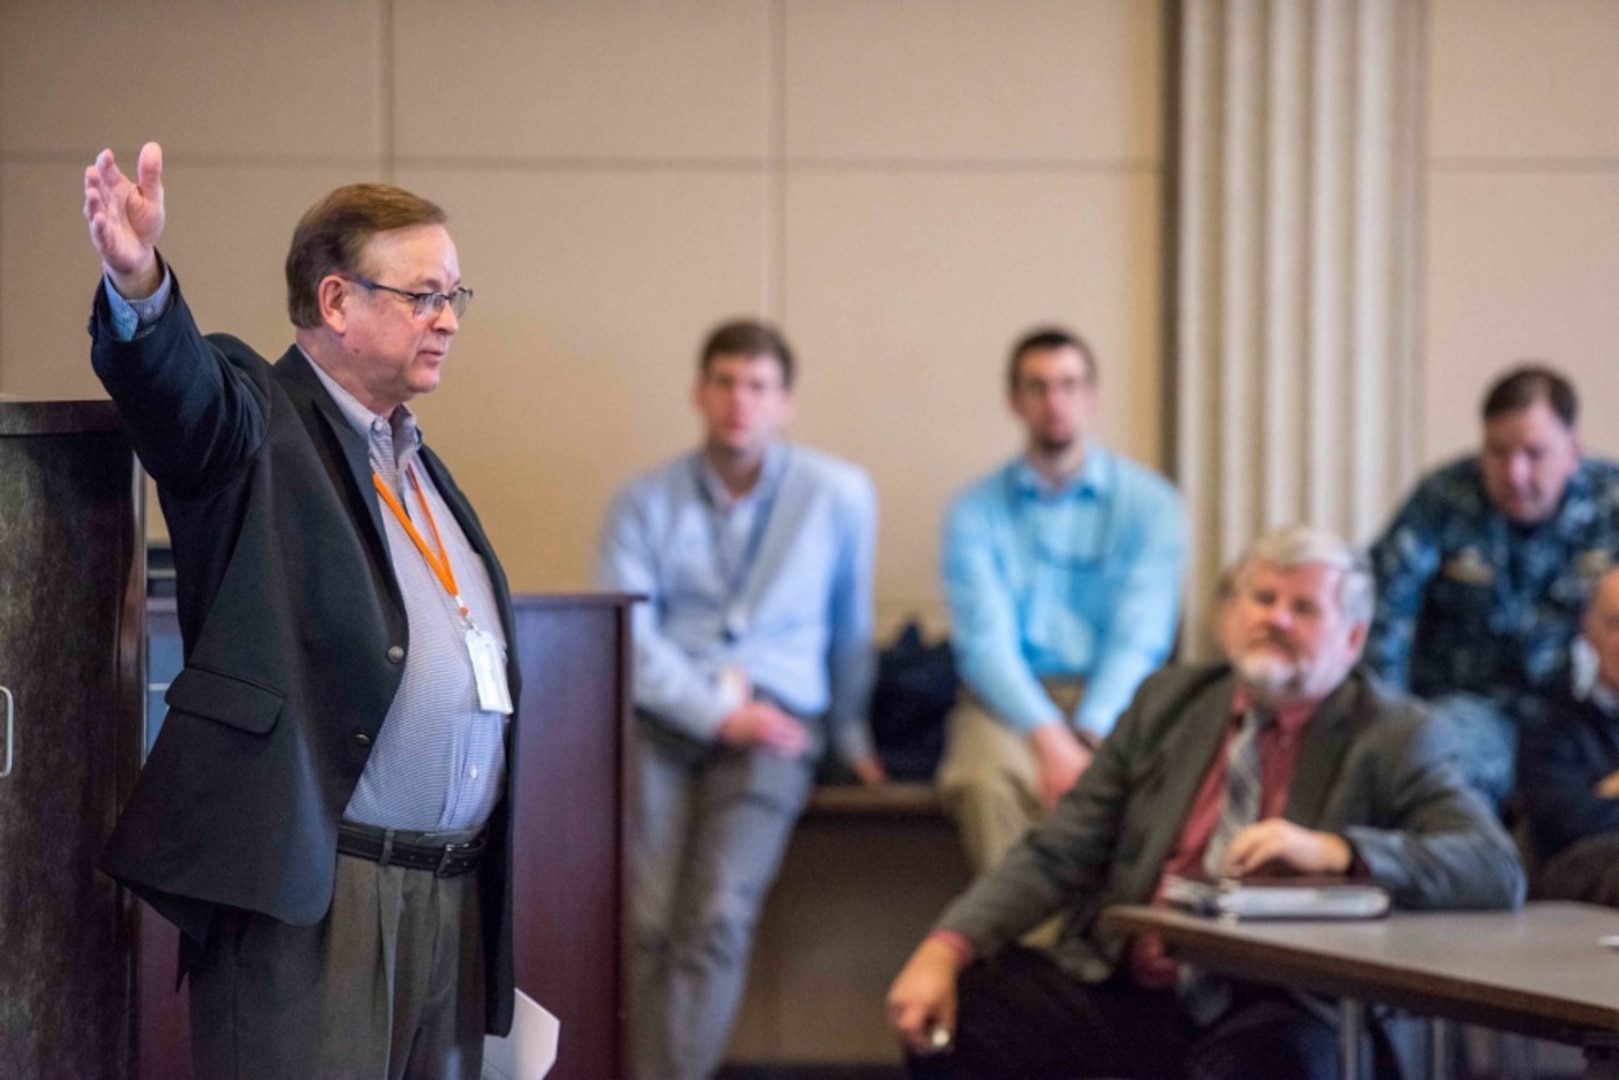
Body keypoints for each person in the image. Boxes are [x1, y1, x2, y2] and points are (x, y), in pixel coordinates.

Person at [84, 143, 520, 1079]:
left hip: (448, 896)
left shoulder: (414, 459)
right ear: (336, 302)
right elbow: (178, 398)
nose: (447, 320)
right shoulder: (259, 422)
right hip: (321, 899)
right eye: (422, 296)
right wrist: (139, 281)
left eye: (455, 297)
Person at [887, 525, 1524, 1080]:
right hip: (1134, 986)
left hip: (1281, 1005)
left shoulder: (1396, 734)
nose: (1276, 619)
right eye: (1263, 598)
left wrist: (1337, 852)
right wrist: (946, 946)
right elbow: (1059, 850)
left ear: (1353, 638)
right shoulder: (1168, 703)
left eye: (1304, 607)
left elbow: (1492, 867)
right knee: (967, 1007)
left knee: (1283, 1063)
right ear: (1228, 615)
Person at [595, 319, 884, 1080]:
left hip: (779, 730)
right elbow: (629, 636)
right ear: (699, 392)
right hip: (665, 723)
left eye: (757, 386)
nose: (738, 401)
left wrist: (849, 735)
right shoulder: (643, 499)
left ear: (785, 401)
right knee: (647, 920)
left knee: (716, 915)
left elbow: (850, 626)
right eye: (724, 382)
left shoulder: (837, 493)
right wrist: (715, 711)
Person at [937, 326, 1186, 873]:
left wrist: (1090, 731)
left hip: (1121, 696)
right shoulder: (974, 510)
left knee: (1152, 789)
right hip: (1010, 700)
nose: (1056, 402)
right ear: (1014, 400)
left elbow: (1141, 635)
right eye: (1039, 387)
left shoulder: (1152, 504)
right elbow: (984, 644)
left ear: (1092, 396)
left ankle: (1101, 948)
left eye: (1070, 385)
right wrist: (1050, 739)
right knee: (982, 783)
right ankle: (1028, 949)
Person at [1366, 366, 1619, 808]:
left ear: (1573, 450)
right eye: (1498, 452)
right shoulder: (1444, 497)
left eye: (1534, 453)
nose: (1515, 473)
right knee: (1430, 760)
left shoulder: (1609, 502)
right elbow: (1383, 618)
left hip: (1585, 719)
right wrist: (1382, 730)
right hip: (1471, 709)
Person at [1519, 567, 1619, 904]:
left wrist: (1609, 792)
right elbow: (1564, 821)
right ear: (1587, 629)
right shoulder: (1550, 717)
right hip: (1573, 878)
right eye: (1615, 623)